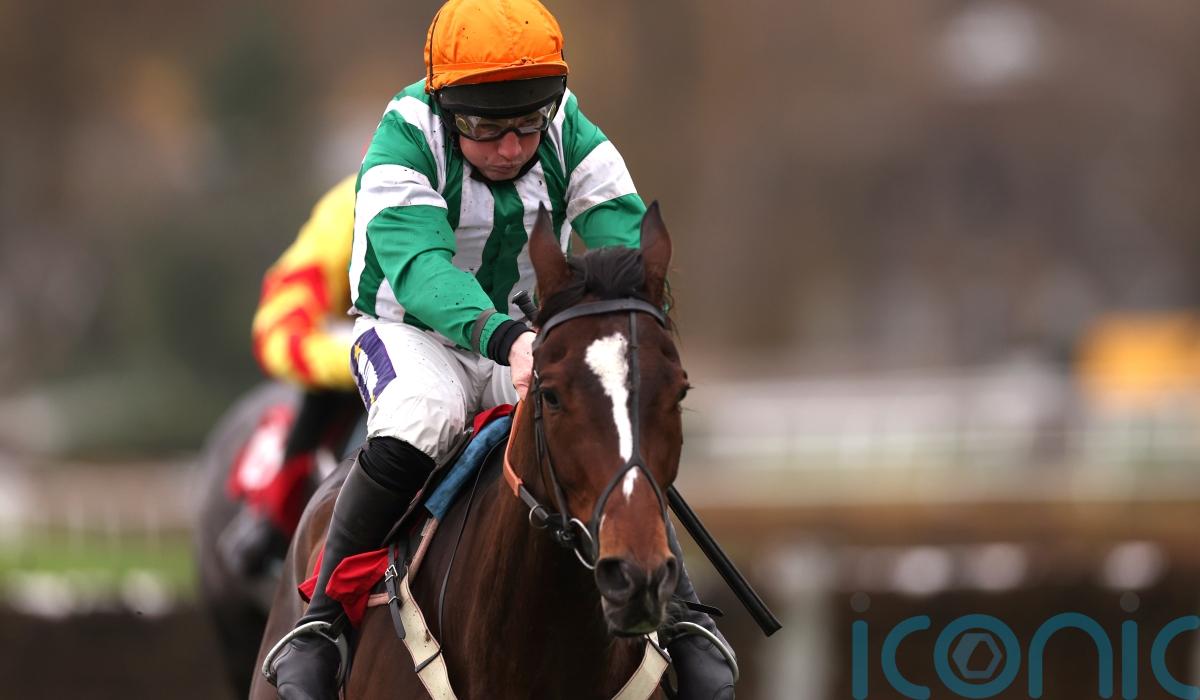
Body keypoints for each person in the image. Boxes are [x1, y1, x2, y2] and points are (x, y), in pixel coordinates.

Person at [266, 1, 736, 698]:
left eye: (527, 124)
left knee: (600, 420)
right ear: (446, 106)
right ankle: (323, 623)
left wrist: (632, 325)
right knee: (424, 415)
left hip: (522, 334)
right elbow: (422, 271)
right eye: (486, 128)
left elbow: (622, 237)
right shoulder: (404, 137)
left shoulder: (567, 126)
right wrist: (509, 338)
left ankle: (681, 616)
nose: (512, 147)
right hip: (409, 331)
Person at [221, 175, 364, 579]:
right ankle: (272, 522)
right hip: (344, 335)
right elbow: (284, 322)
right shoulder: (352, 203)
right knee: (327, 391)